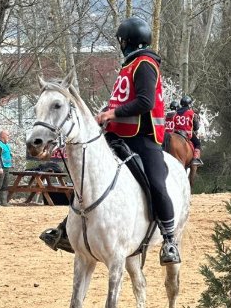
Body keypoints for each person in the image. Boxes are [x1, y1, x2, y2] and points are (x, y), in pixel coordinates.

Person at [39, 16, 181, 265]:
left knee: (157, 182)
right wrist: (104, 112)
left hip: (143, 137)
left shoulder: (145, 64)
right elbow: (120, 100)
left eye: (121, 41)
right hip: (117, 134)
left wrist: (112, 113)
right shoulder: (127, 67)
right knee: (88, 175)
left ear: (128, 41)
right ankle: (67, 229)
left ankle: (169, 240)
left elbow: (145, 102)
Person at [175, 95, 203, 166]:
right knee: (198, 143)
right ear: (189, 104)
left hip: (175, 133)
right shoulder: (191, 113)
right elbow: (196, 128)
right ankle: (195, 159)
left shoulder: (175, 113)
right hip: (186, 134)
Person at [0, 130, 13, 206]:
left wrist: (11, 155)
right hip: (0, 168)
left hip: (6, 168)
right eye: (8, 135)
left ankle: (4, 203)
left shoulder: (6, 145)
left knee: (5, 186)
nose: (9, 137)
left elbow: (6, 155)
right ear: (3, 135)